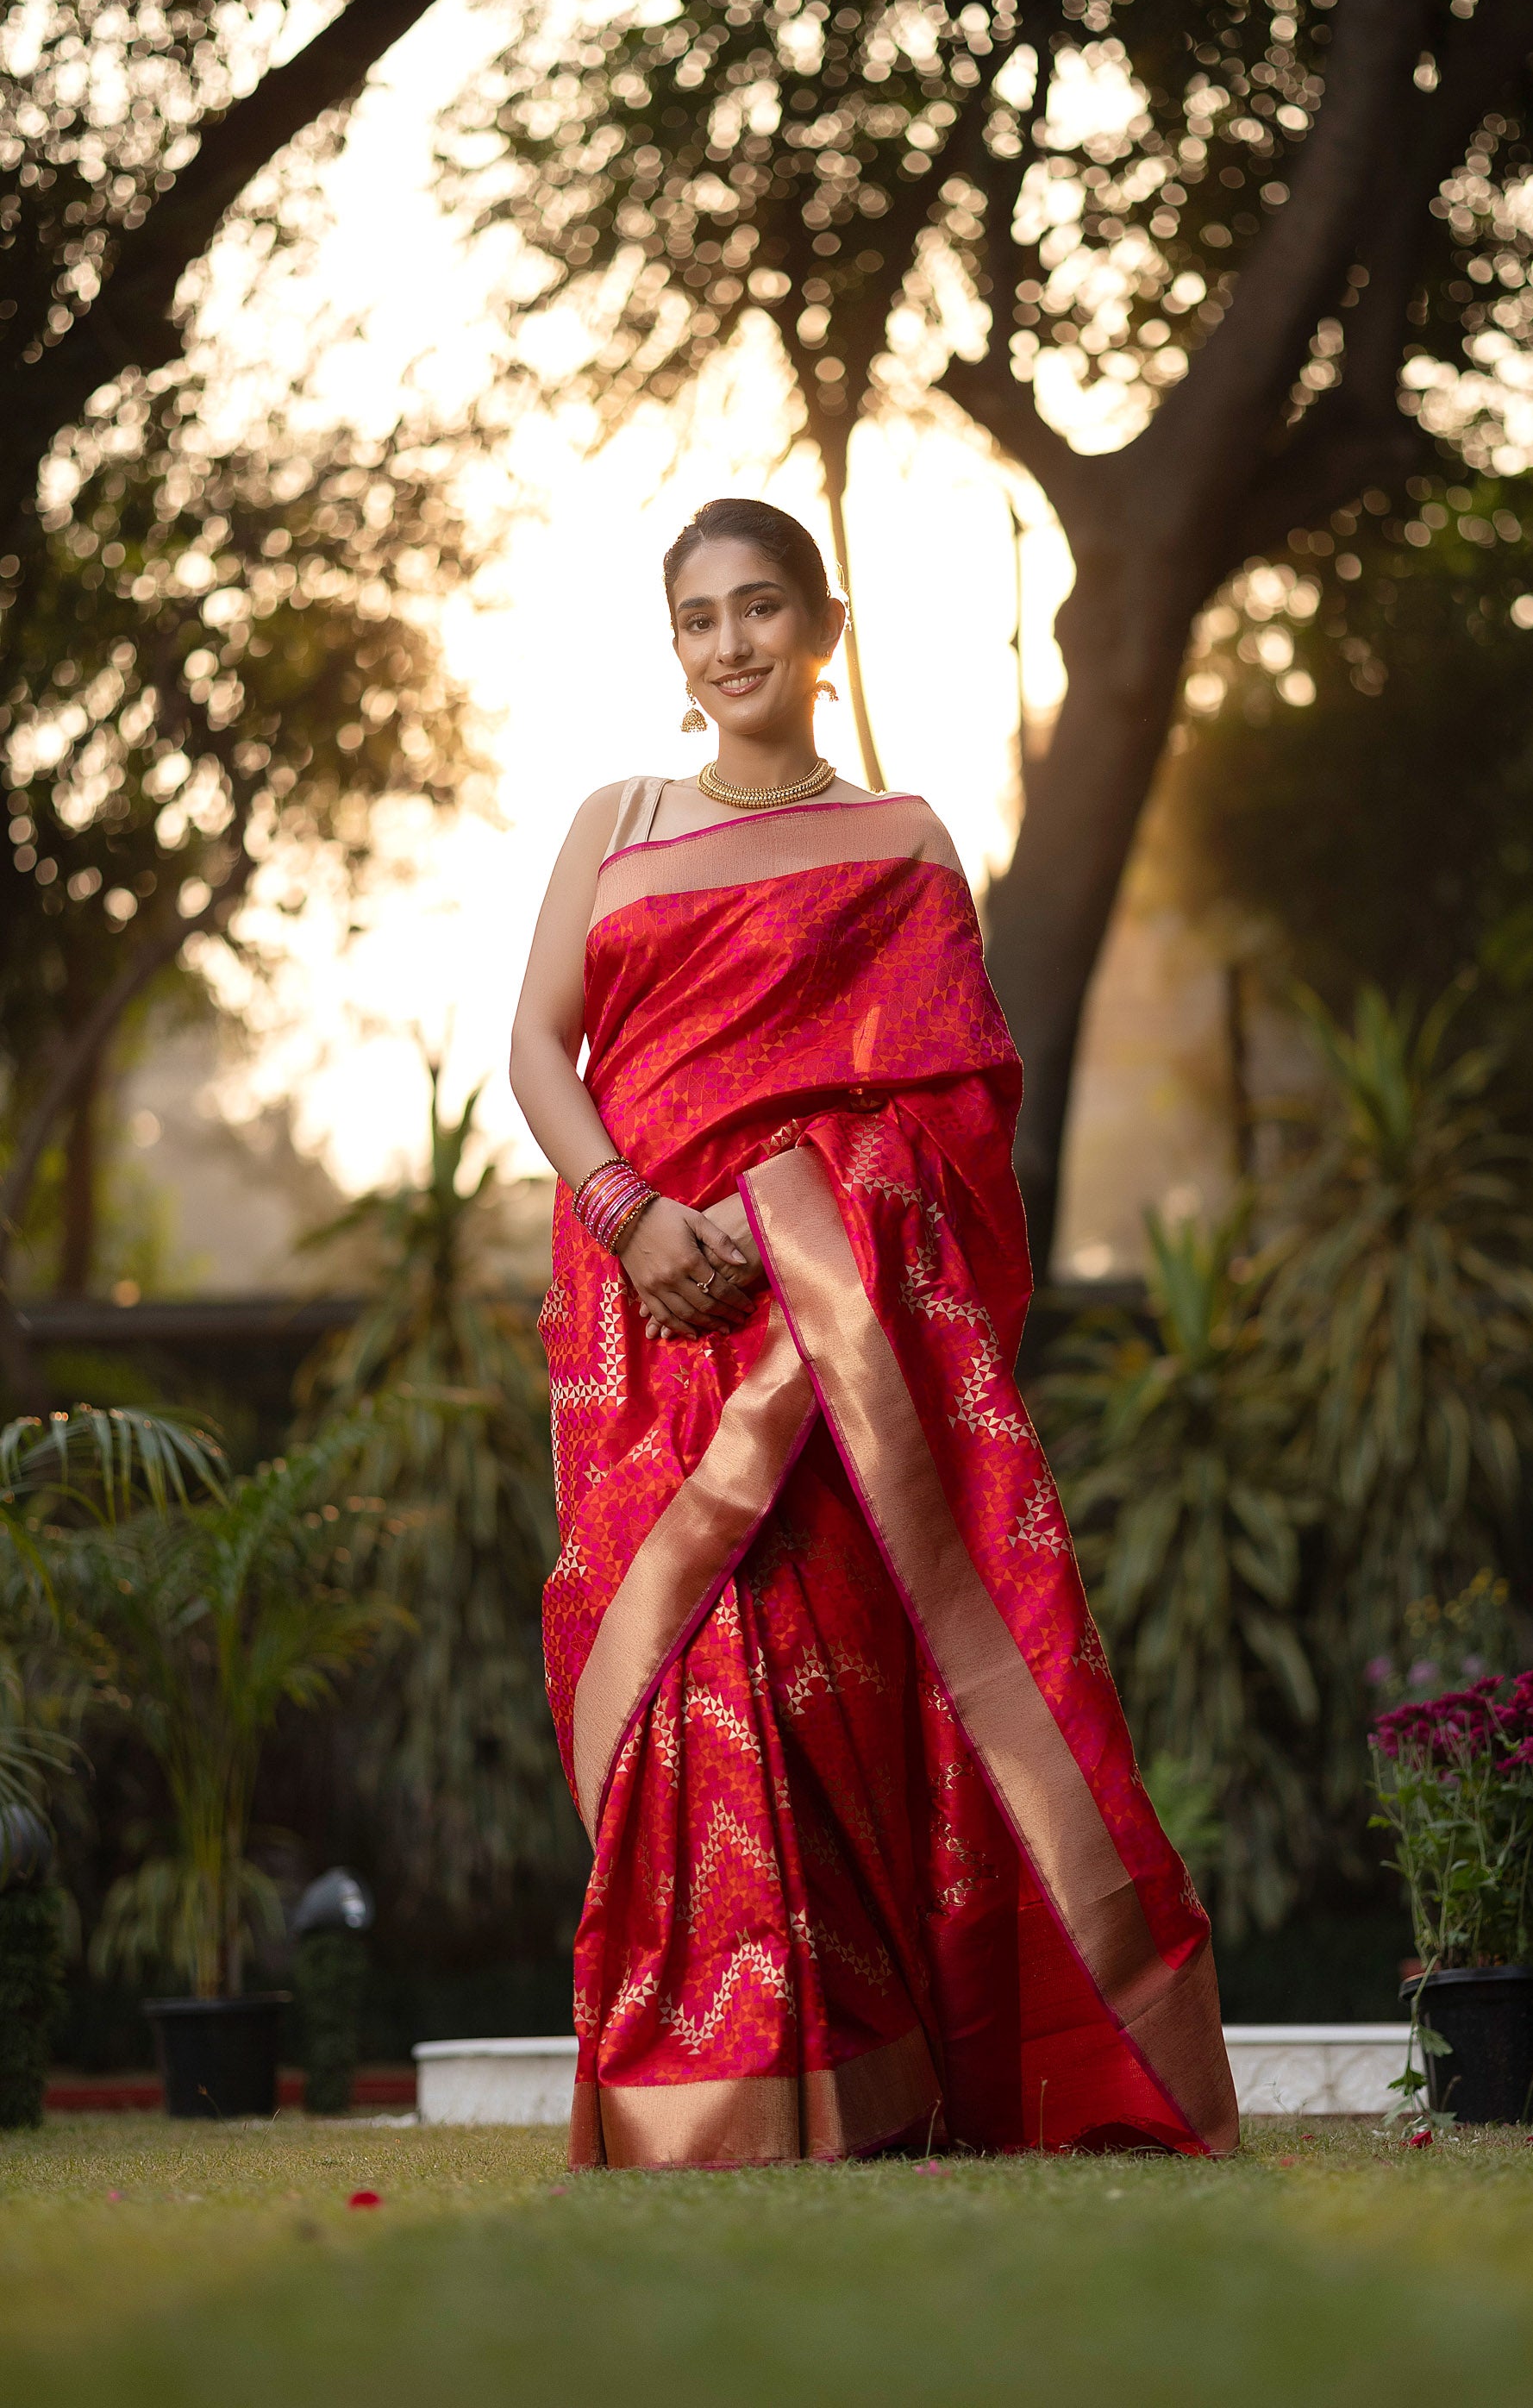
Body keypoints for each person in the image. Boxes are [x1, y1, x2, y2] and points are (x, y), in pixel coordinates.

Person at [510, 496, 1237, 2168]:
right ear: (672, 649)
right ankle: (713, 2101)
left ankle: (881, 2091)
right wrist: (633, 1217)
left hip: (830, 1346)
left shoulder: (905, 842)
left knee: (844, 1694)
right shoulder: (614, 819)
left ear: (822, 629)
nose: (730, 644)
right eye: (698, 619)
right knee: (689, 1689)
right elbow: (541, 1052)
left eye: (761, 608)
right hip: (655, 1334)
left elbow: (957, 1123)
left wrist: (795, 1230)